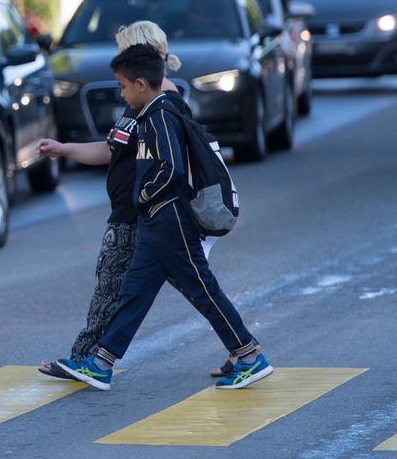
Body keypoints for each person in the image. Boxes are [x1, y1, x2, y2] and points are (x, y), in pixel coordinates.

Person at [55, 43, 271, 391]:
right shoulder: (151, 113)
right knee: (133, 294)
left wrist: (143, 194)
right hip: (155, 224)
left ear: (141, 84)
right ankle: (101, 363)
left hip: (170, 221)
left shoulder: (159, 115)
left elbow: (171, 168)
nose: (122, 94)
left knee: (203, 290)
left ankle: (248, 355)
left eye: (124, 87)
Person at [36, 22, 233, 381]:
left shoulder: (163, 103)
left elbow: (177, 160)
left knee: (124, 285)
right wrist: (63, 149)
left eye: (122, 53)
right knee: (152, 291)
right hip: (139, 213)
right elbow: (112, 150)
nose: (117, 60)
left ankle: (89, 359)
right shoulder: (140, 102)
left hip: (148, 213)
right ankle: (98, 362)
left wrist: (151, 199)